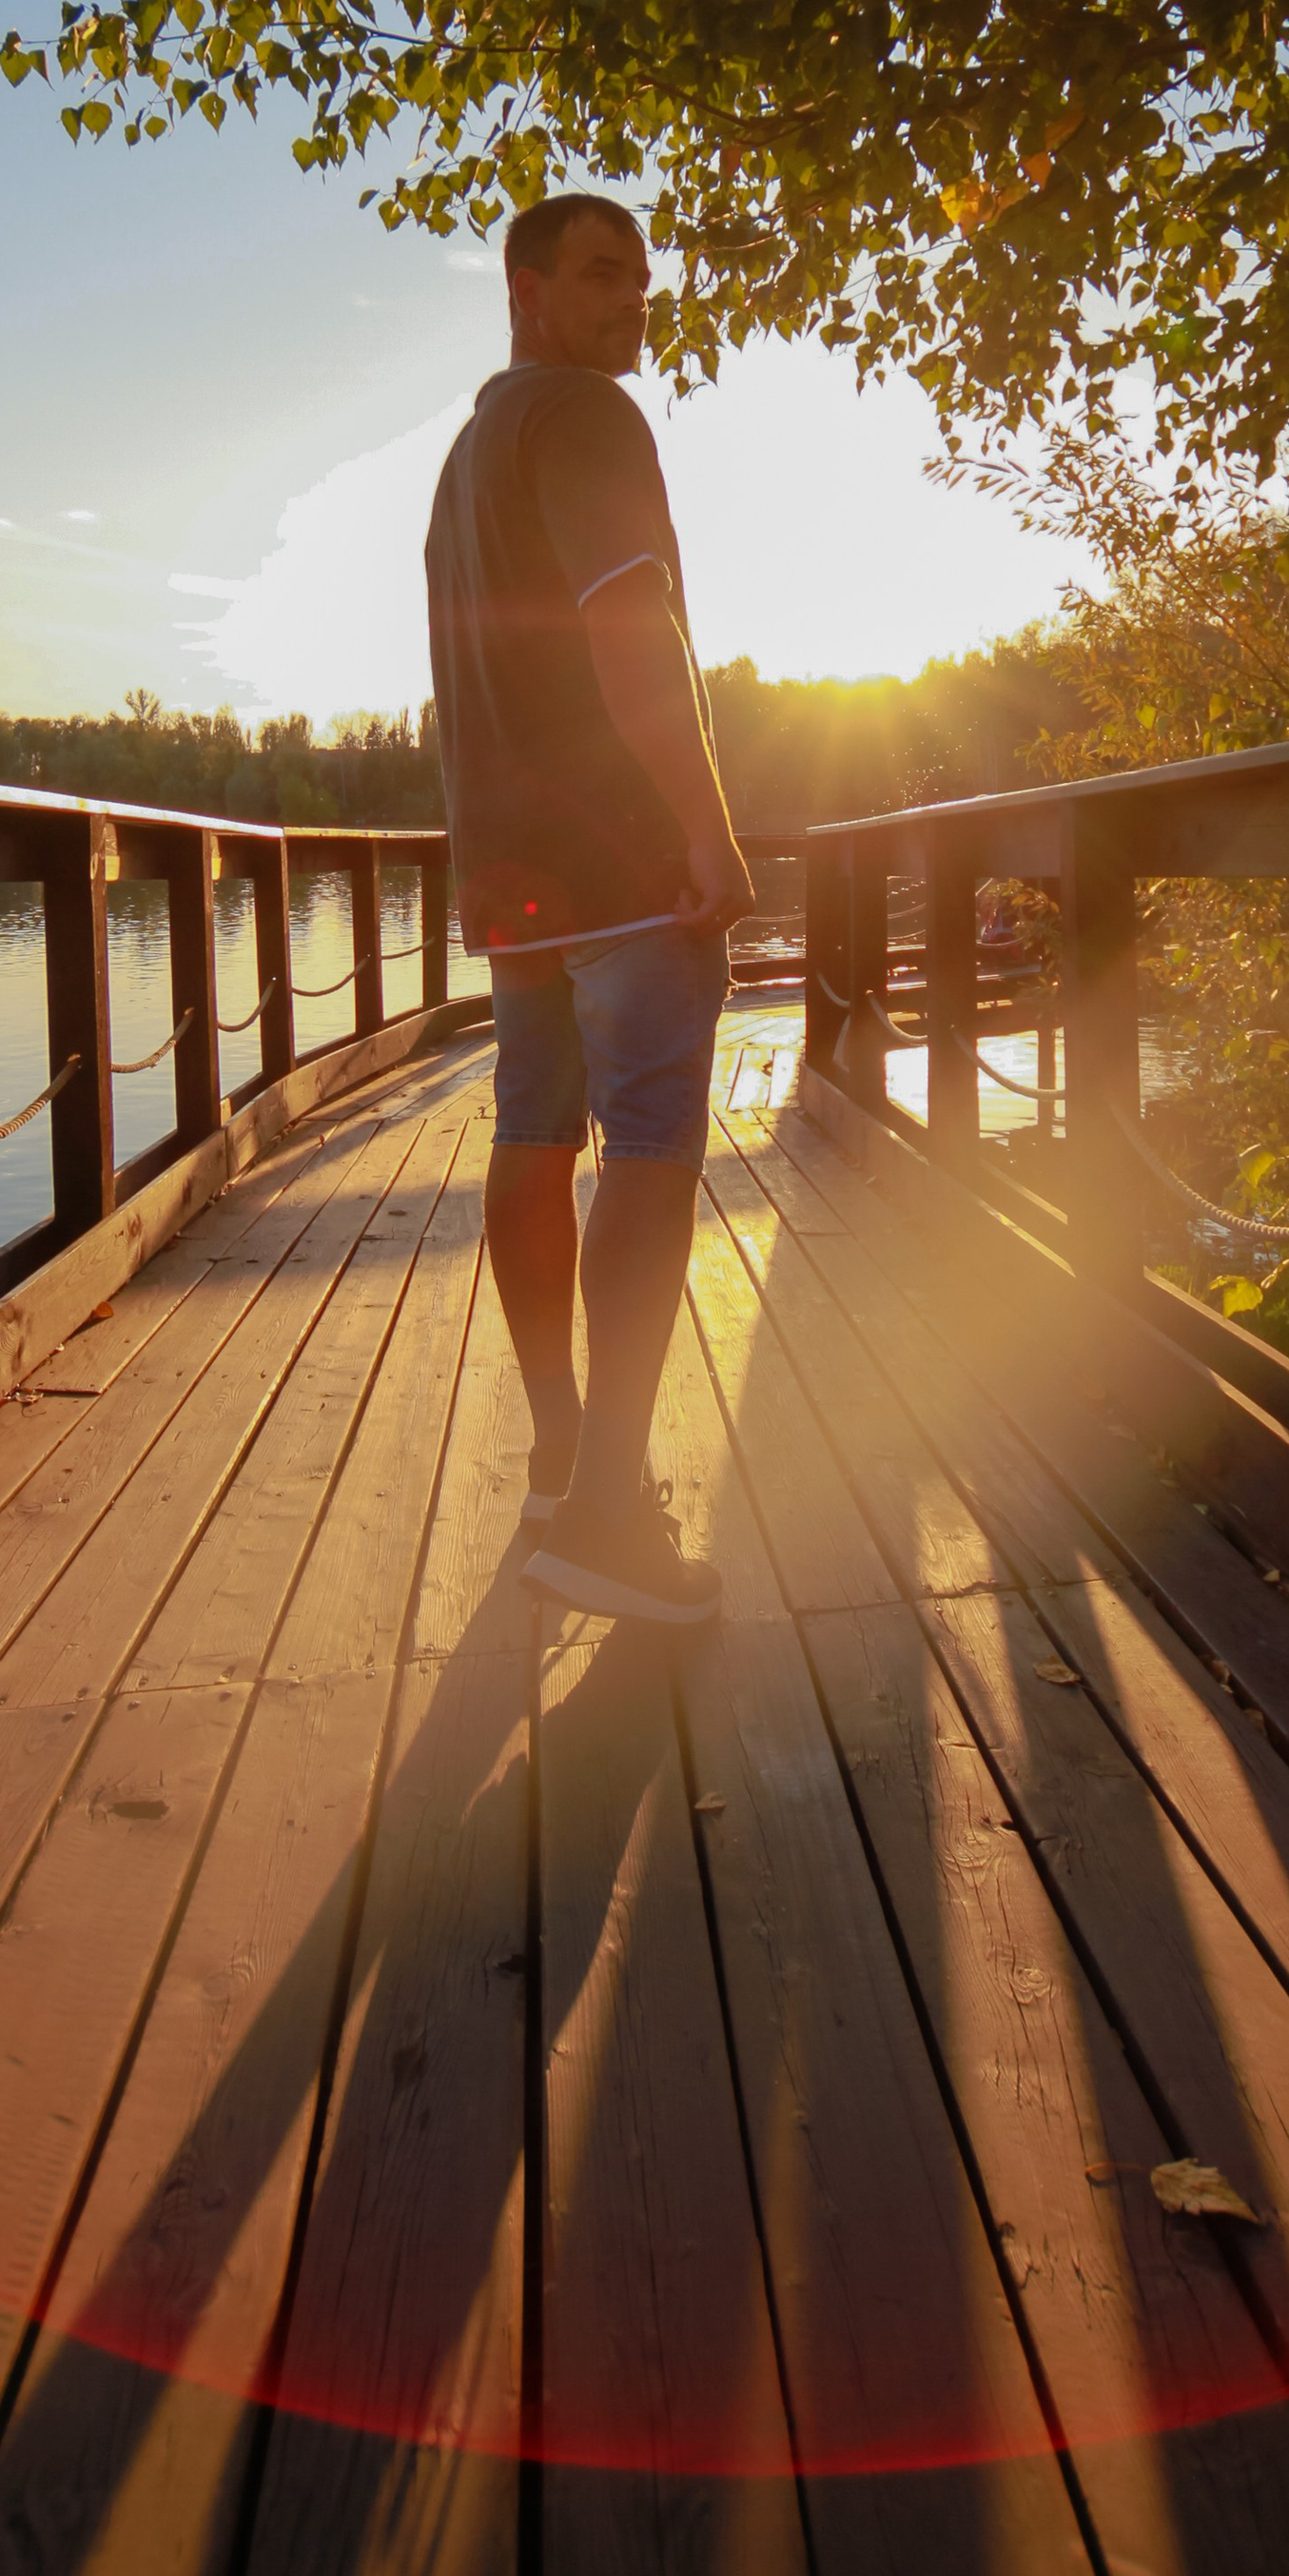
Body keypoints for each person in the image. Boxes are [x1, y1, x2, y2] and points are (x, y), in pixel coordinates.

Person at [424, 187, 755, 1624]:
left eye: (643, 275)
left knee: (533, 1128)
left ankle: (564, 1463)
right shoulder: (589, 419)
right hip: (620, 858)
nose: (636, 298)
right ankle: (613, 1513)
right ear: (527, 290)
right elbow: (635, 628)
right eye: (604, 274)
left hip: (514, 872)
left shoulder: (468, 454)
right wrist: (709, 826)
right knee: (654, 1142)